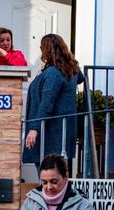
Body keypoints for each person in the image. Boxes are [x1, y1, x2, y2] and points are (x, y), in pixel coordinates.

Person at [23, 33, 84, 164]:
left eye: (41, 48)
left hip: (50, 132)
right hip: (60, 131)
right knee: (56, 172)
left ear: (47, 50)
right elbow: (81, 78)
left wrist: (34, 129)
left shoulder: (53, 73)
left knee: (48, 172)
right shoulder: (69, 71)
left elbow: (47, 103)